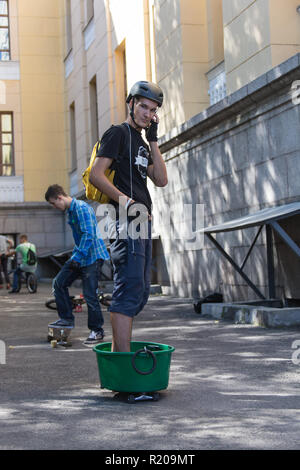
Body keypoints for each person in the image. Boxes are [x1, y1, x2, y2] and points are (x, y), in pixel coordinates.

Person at [89, 80, 168, 352]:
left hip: (141, 223)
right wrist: (128, 204)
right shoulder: (117, 133)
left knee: (140, 292)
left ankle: (119, 358)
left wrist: (154, 140)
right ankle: (122, 365)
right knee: (128, 291)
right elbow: (96, 175)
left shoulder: (142, 142)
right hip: (125, 221)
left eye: (153, 109)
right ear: (131, 103)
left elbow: (161, 179)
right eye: (143, 106)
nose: (148, 113)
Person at [45, 184, 110, 345]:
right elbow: (81, 238)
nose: (54, 207)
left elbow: (88, 235)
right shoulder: (71, 211)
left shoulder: (81, 208)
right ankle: (66, 319)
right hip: (80, 255)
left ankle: (97, 331)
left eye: (53, 203)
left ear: (59, 197)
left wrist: (77, 257)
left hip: (92, 257)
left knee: (89, 295)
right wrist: (76, 257)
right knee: (58, 283)